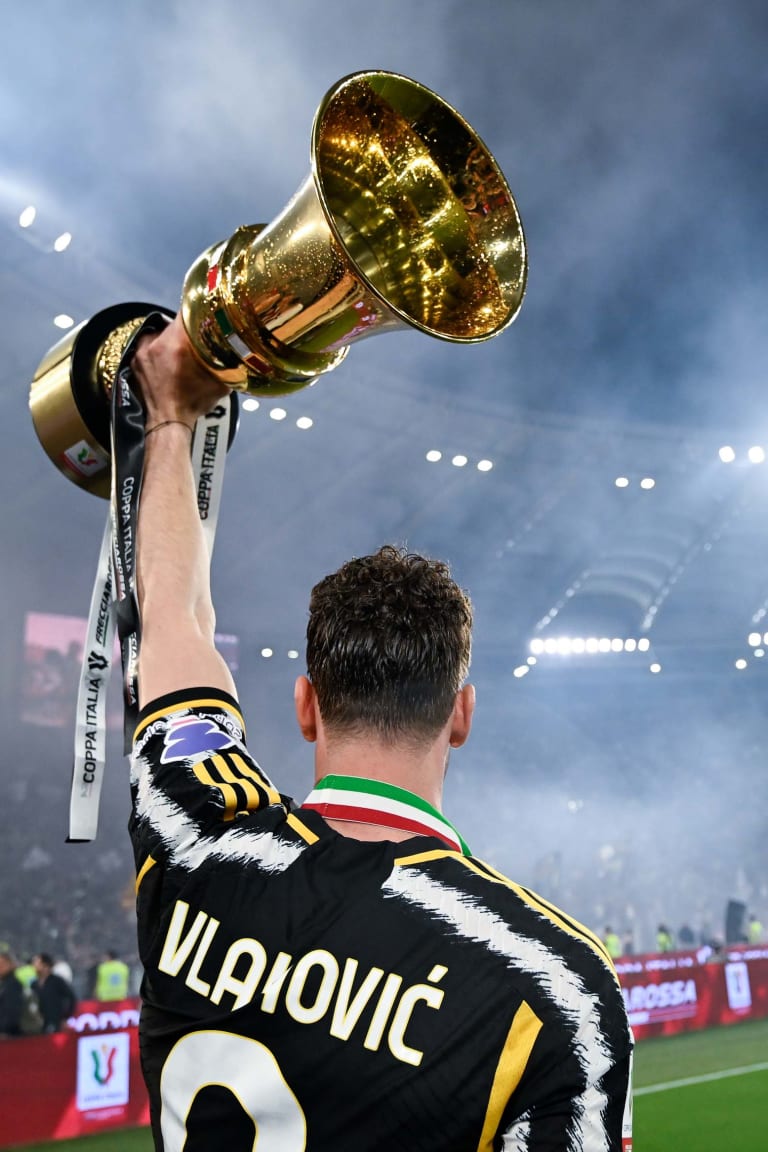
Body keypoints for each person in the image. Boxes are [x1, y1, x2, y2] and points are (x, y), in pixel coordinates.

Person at [128, 316, 633, 1150]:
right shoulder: (553, 985)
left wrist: (169, 417)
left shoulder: (196, 829)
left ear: (306, 705)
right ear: (462, 717)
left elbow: (172, 616)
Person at [31, 953, 76, 1033]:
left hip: (56, 1022)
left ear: (46, 966)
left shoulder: (57, 981)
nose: (34, 966)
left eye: (37, 963)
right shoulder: (34, 984)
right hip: (39, 1025)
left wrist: (66, 1017)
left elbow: (71, 998)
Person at [0, 951, 24, 1038]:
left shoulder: (12, 984)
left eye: (2, 964)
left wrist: (4, 1030)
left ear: (10, 965)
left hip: (9, 1035)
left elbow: (11, 1011)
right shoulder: (5, 983)